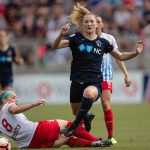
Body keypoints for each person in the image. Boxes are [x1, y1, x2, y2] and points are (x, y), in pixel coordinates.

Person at [52, 3, 143, 137]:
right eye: (86, 22)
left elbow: (121, 56)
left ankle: (75, 126)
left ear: (97, 25)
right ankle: (86, 117)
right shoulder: (76, 38)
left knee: (89, 94)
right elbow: (55, 46)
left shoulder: (103, 43)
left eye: (92, 22)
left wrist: (135, 52)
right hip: (76, 82)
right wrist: (61, 34)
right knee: (76, 112)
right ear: (83, 24)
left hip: (94, 82)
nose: (89, 24)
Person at [0, 90, 111, 148]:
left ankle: (93, 144)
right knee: (68, 125)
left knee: (66, 139)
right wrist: (34, 103)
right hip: (36, 131)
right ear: (4, 100)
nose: (15, 100)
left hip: (29, 145)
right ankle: (94, 138)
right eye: (13, 97)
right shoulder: (8, 105)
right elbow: (15, 110)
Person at [96, 16, 132, 144]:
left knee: (105, 103)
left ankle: (111, 136)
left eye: (99, 21)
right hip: (90, 76)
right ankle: (83, 133)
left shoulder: (109, 38)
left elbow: (118, 57)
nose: (96, 24)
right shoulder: (86, 38)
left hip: (105, 75)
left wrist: (126, 74)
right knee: (84, 105)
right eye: (94, 22)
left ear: (102, 24)